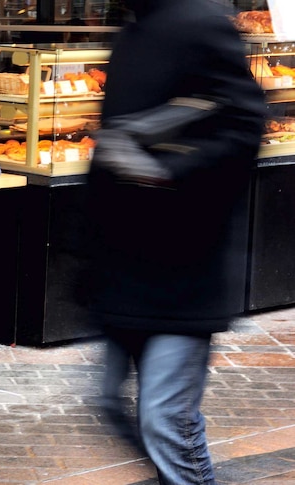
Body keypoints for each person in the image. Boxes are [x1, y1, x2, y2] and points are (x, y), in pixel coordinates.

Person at [83, 0, 266, 483]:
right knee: (114, 405)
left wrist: (166, 172)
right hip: (123, 270)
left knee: (165, 418)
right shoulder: (130, 34)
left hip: (185, 266)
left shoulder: (201, 23)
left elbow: (245, 126)